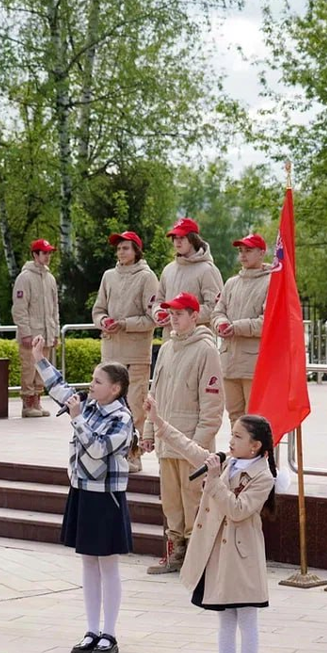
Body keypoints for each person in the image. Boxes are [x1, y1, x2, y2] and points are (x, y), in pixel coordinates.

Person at [145, 394, 285, 653]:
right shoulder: (226, 461)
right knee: (224, 620)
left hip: (243, 557)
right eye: (231, 434)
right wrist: (159, 423)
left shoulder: (263, 476)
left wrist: (214, 480)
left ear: (256, 447)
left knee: (247, 619)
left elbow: (238, 511)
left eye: (238, 436)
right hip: (217, 554)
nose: (231, 441)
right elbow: (191, 449)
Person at [29, 334, 135, 653]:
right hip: (82, 492)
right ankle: (91, 630)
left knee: (108, 564)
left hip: (107, 497)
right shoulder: (88, 405)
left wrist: (76, 420)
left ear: (115, 388)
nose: (91, 385)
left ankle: (110, 633)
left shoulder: (122, 419)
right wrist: (38, 358)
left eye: (97, 381)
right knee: (88, 561)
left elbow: (99, 448)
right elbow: (59, 388)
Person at [140, 292, 224, 574]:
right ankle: (175, 553)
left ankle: (197, 558)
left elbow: (213, 405)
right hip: (166, 441)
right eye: (171, 313)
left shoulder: (206, 349)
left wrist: (198, 447)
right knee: (171, 500)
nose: (173, 318)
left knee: (193, 501)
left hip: (191, 441)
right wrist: (149, 430)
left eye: (179, 313)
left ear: (194, 316)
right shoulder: (166, 347)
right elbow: (155, 393)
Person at [92, 231, 159, 471]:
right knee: (107, 404)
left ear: (137, 251)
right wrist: (103, 321)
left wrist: (125, 323)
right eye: (119, 248)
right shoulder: (108, 276)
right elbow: (98, 309)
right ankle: (110, 452)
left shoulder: (147, 277)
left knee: (135, 405)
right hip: (111, 350)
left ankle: (134, 454)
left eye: (126, 248)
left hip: (136, 353)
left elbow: (152, 318)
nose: (121, 252)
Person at [212, 233, 271, 428]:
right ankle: (240, 455)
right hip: (229, 361)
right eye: (240, 251)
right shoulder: (231, 283)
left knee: (255, 417)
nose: (243, 255)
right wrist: (220, 323)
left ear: (262, 253)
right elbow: (217, 312)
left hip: (254, 363)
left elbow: (267, 322)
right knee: (234, 417)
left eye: (249, 250)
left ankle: (257, 457)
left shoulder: (271, 282)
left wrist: (236, 327)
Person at [12, 239, 61, 418]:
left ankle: (38, 401)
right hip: (32, 333)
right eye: (44, 253)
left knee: (42, 368)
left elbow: (55, 308)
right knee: (29, 368)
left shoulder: (50, 278)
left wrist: (55, 332)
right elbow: (19, 308)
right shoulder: (24, 277)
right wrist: (25, 332)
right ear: (35, 254)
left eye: (49, 253)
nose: (48, 256)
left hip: (46, 333)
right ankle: (27, 404)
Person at [153, 218, 223, 328]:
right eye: (175, 238)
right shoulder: (168, 269)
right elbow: (158, 301)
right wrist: (158, 313)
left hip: (198, 338)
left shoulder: (208, 270)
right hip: (170, 339)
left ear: (193, 239)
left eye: (182, 237)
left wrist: (181, 317)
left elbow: (215, 307)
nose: (177, 241)